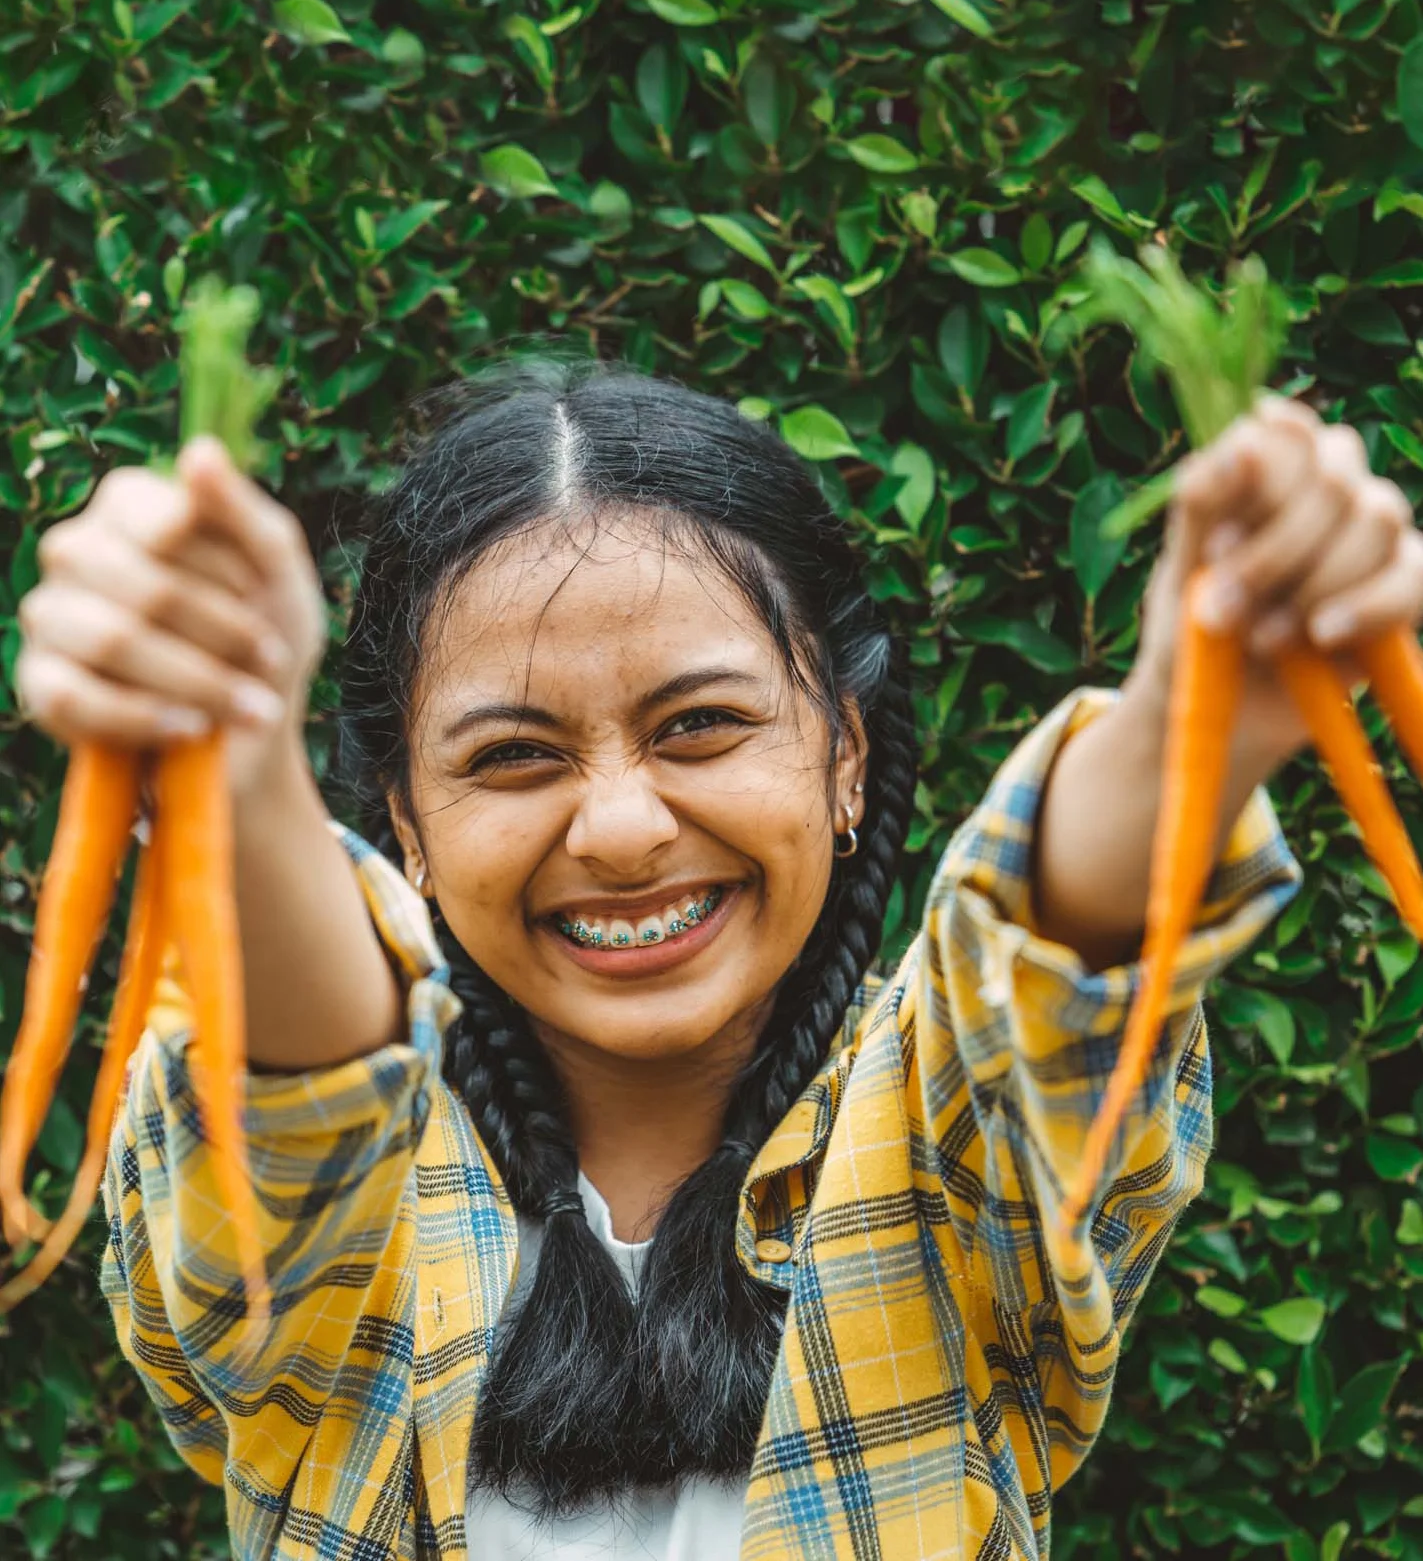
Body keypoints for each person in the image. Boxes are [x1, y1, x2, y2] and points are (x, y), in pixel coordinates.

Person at [13, 365, 1422, 1561]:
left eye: (698, 726)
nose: (622, 829)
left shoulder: (935, 1153)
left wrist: (1194, 712)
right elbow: (288, 1106)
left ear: (844, 756)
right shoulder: (362, 1209)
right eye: (512, 757)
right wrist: (236, 766)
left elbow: (1046, 992)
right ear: (405, 829)